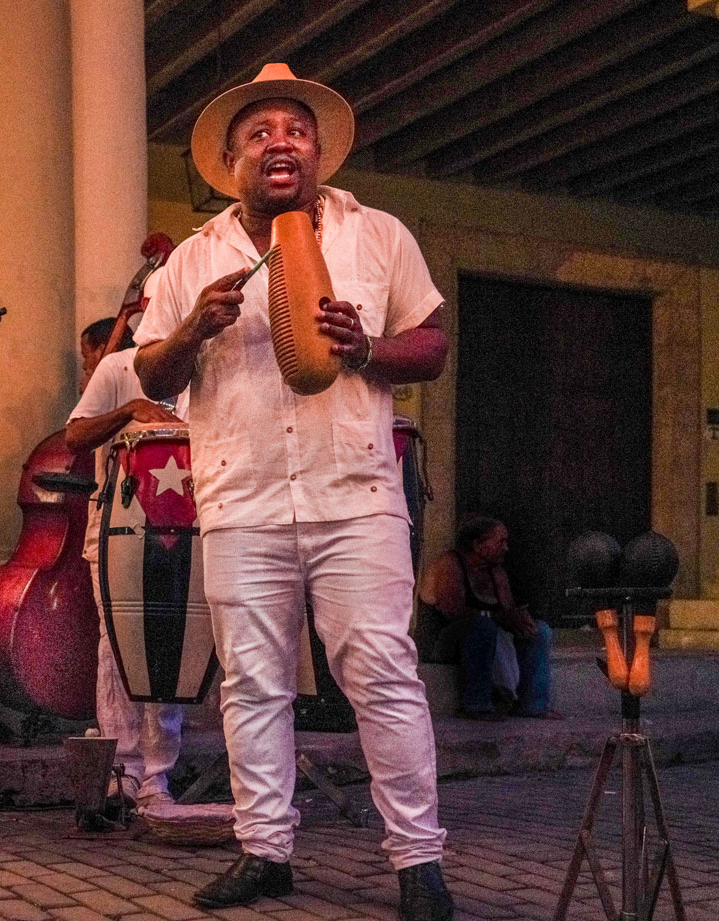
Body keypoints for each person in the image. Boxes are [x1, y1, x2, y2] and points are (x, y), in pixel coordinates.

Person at [132, 63, 454, 921]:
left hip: (355, 493)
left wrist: (366, 350)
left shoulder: (377, 233)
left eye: (296, 130)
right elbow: (151, 374)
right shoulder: (196, 260)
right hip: (242, 498)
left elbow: (430, 345)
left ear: (315, 155)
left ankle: (419, 861)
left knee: (383, 674)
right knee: (252, 682)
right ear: (232, 161)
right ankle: (265, 851)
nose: (281, 141)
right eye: (261, 132)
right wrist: (192, 331)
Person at [66, 314, 188, 811]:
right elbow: (75, 436)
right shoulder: (117, 367)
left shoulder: (202, 365)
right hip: (117, 528)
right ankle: (122, 771)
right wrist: (130, 410)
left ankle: (158, 776)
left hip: (185, 531)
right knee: (116, 648)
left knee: (170, 644)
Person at [416, 516, 556, 720]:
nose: (506, 548)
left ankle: (533, 705)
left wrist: (520, 620)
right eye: (500, 541)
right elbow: (453, 611)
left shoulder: (495, 571)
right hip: (441, 644)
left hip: (485, 637)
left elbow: (507, 612)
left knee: (539, 631)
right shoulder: (449, 564)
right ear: (478, 545)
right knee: (482, 626)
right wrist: (501, 617)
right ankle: (477, 704)